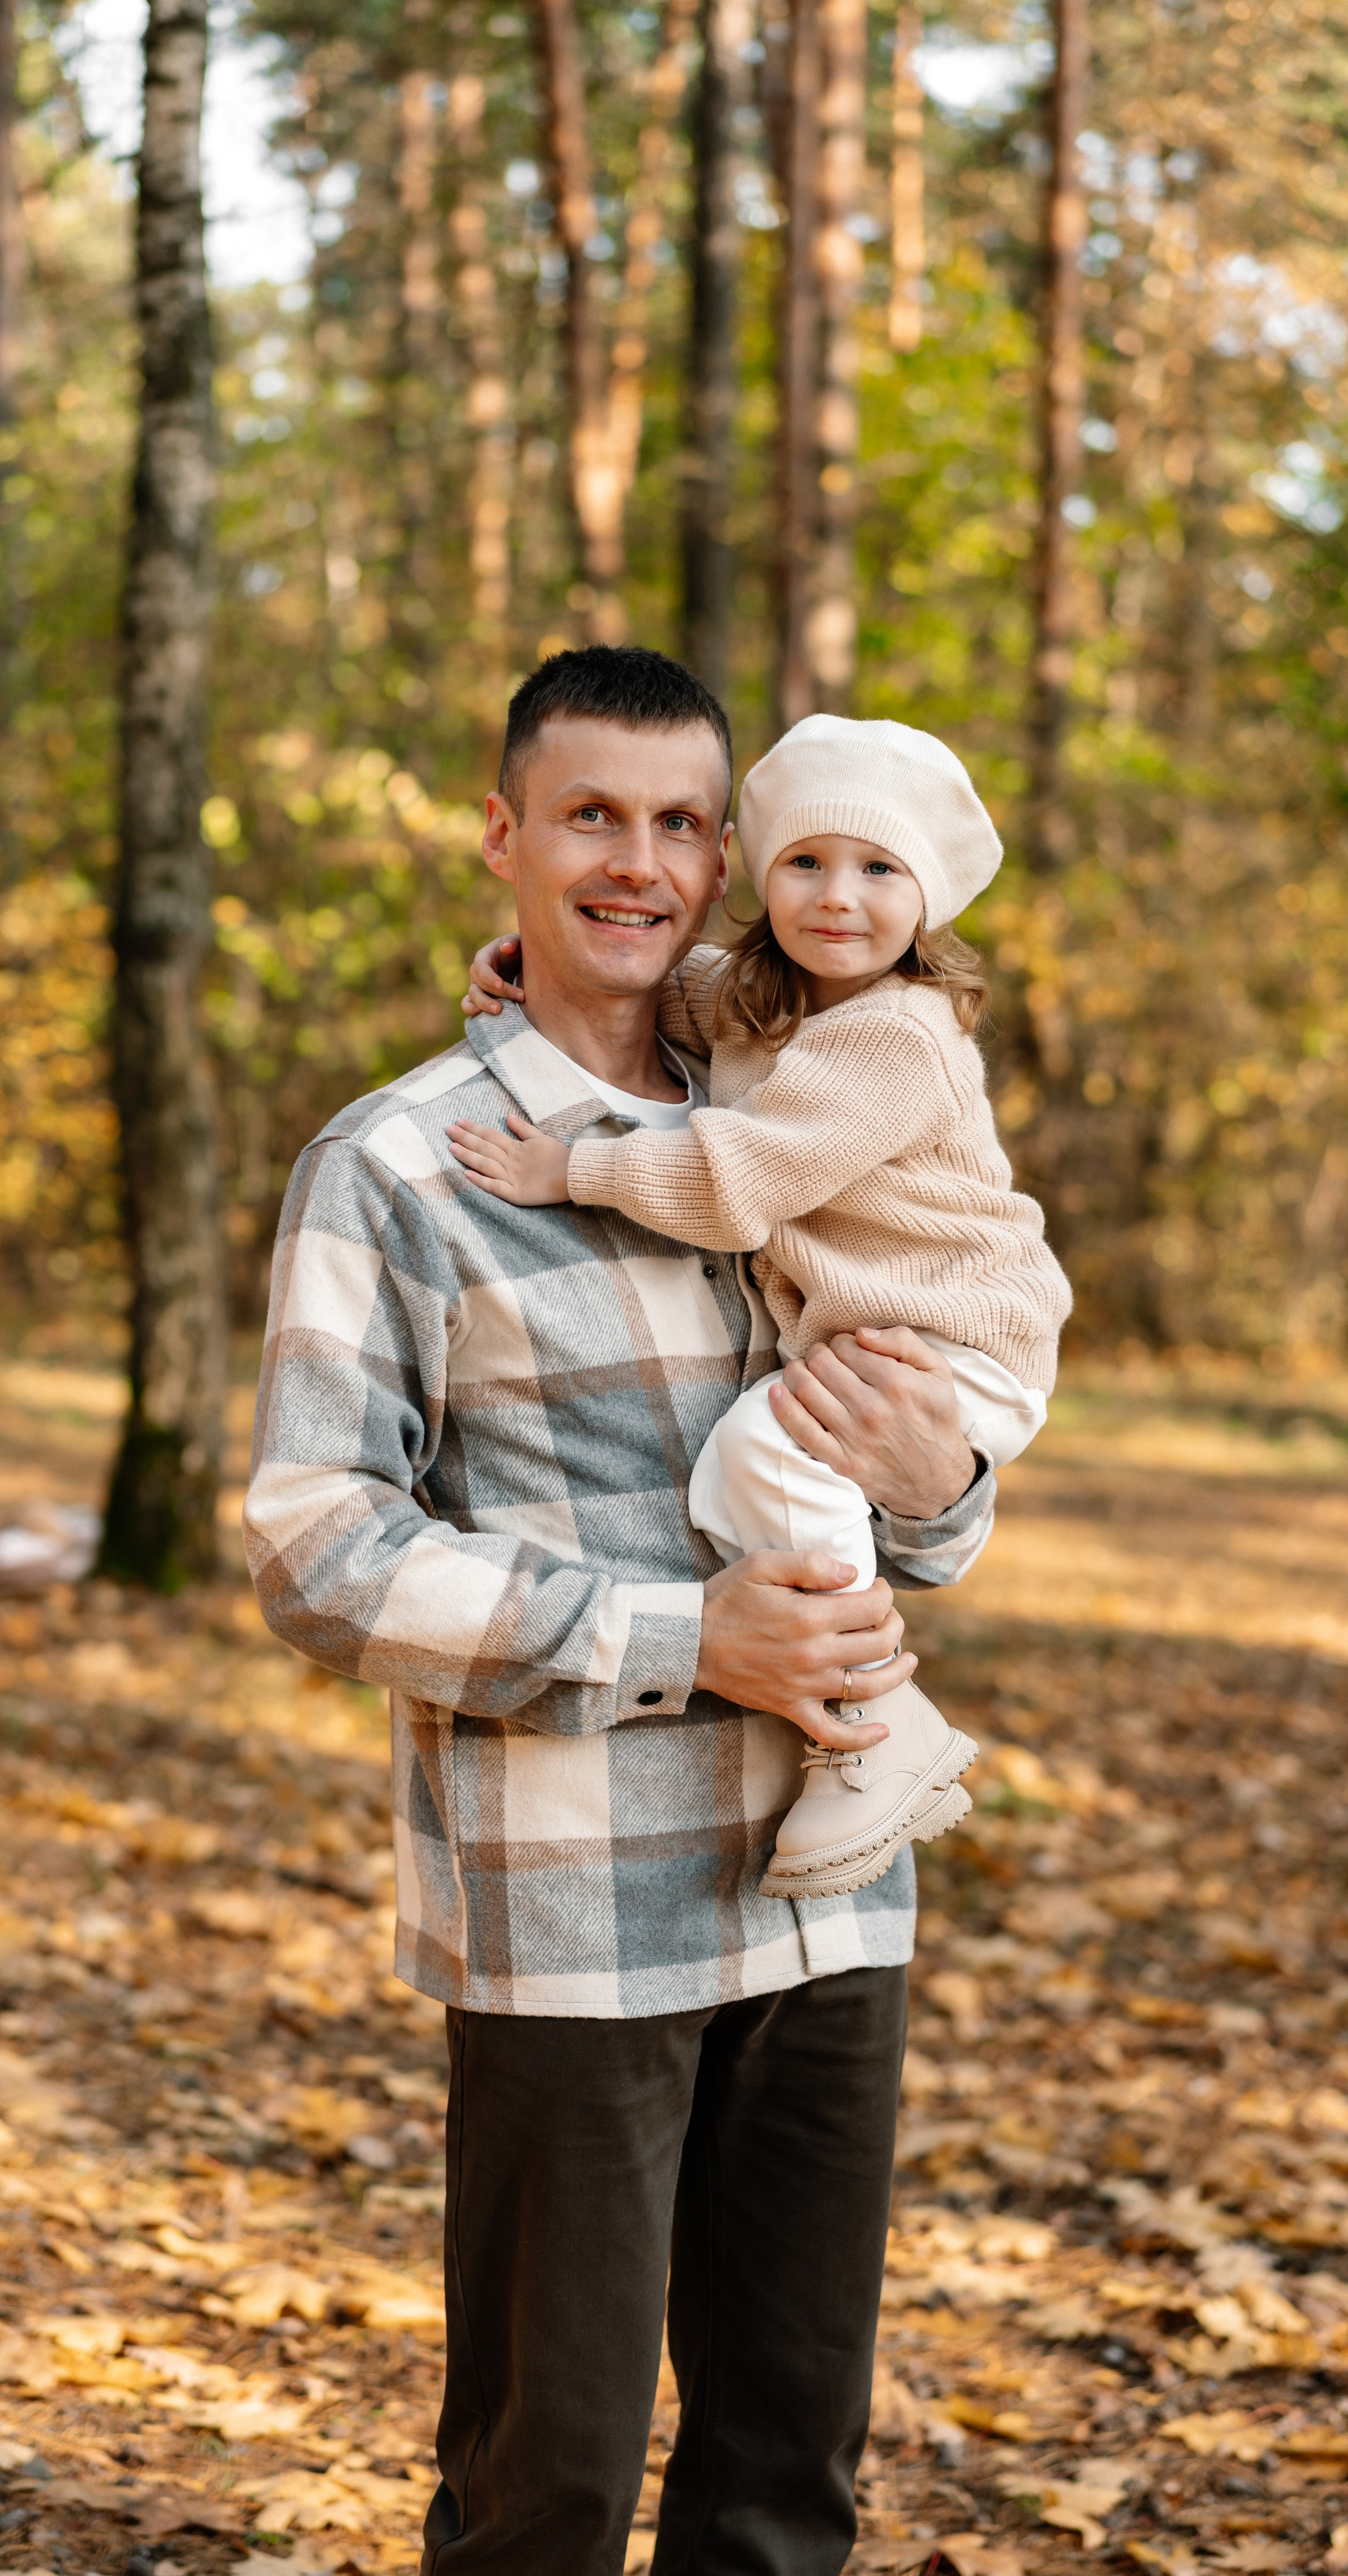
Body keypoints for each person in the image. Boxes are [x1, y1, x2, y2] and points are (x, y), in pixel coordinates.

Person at [243, 647, 998, 2576]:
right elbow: (317, 1545)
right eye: (591, 813)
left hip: (830, 1897)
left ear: (726, 852)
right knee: (546, 2492)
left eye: (681, 823)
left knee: (782, 2484)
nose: (638, 862)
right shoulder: (397, 1164)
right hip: (575, 1908)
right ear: (505, 835)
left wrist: (943, 1486)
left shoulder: (799, 1108)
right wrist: (684, 1636)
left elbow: (914, 1493)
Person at [450, 712, 1070, 1905]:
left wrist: (566, 1168)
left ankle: (869, 1718)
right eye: (807, 863)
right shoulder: (774, 1002)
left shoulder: (894, 1035)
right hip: (887, 1328)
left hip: (955, 1332)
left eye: (880, 869)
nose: (840, 897)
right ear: (756, 872)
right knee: (753, 1474)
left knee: (755, 1458)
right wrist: (526, 958)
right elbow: (670, 990)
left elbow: (736, 1183)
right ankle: (865, 1708)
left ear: (928, 898)